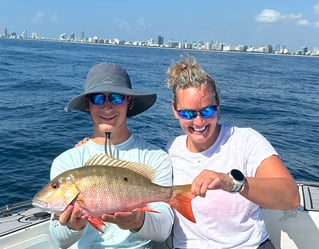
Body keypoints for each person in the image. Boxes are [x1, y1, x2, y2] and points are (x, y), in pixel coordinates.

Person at [164, 55, 300, 249]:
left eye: (207, 111)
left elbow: (291, 197)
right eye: (187, 113)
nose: (199, 122)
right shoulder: (170, 151)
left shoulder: (245, 140)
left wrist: (232, 183)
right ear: (175, 110)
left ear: (218, 106)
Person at [49, 62, 174, 249]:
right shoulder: (67, 162)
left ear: (129, 102)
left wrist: (137, 220)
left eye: (116, 98)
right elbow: (58, 238)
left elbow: (163, 229)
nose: (107, 107)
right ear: (88, 104)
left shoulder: (155, 157)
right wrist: (74, 227)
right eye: (98, 99)